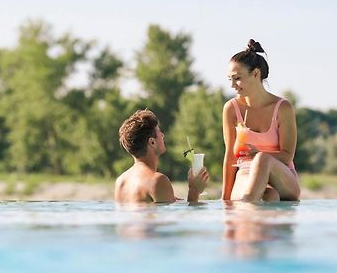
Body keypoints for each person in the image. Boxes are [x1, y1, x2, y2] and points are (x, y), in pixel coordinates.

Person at [221, 39, 301, 202]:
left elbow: (287, 157)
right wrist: (224, 200)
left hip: (281, 175)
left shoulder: (283, 108)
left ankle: (249, 204)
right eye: (230, 79)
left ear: (256, 74)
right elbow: (230, 156)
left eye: (237, 78)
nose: (232, 85)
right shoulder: (231, 109)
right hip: (245, 174)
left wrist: (259, 154)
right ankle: (248, 222)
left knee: (263, 160)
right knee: (270, 196)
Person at [115, 109, 209, 203]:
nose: (163, 135)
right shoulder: (157, 181)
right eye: (159, 131)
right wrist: (194, 191)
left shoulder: (120, 182)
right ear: (152, 142)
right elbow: (182, 218)